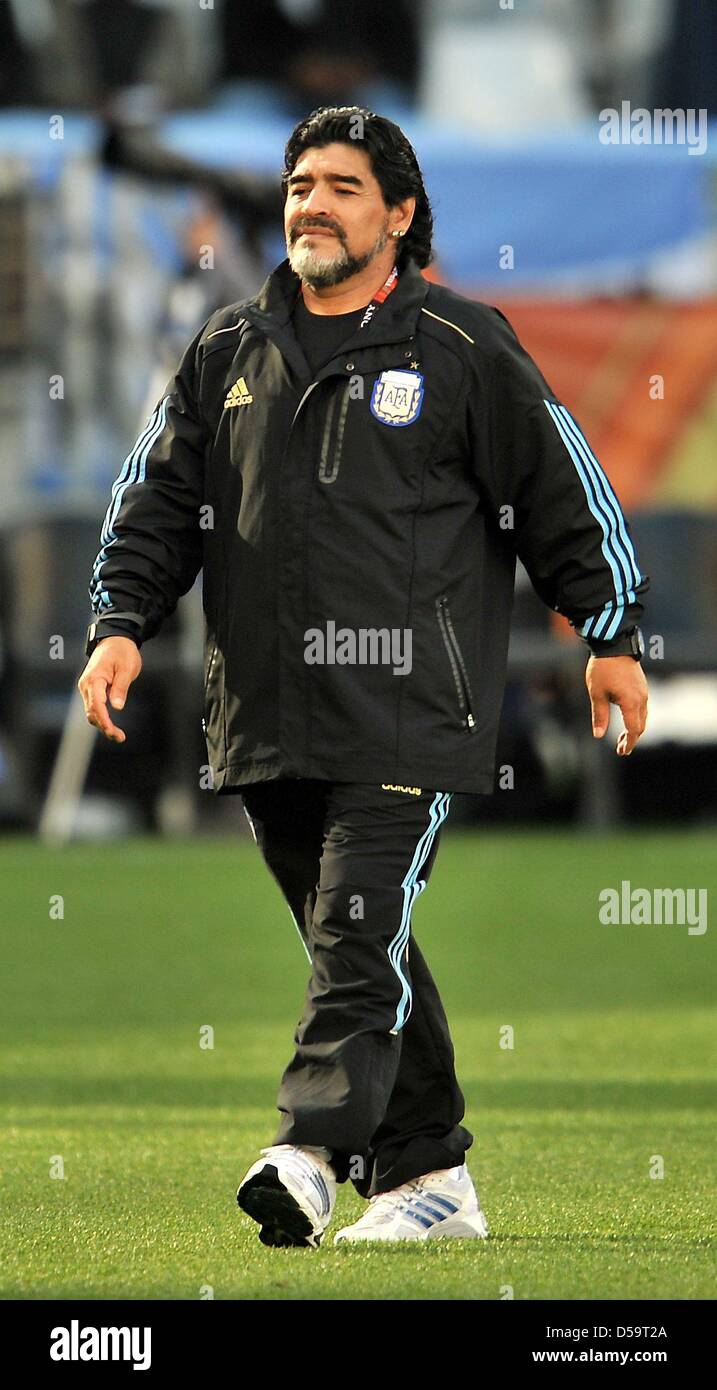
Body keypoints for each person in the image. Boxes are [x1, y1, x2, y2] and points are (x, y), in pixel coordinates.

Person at [78, 105, 650, 1249]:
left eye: (343, 187)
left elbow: (561, 488)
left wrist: (611, 631)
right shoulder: (229, 348)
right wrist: (119, 621)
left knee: (353, 928)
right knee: (359, 939)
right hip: (266, 711)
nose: (313, 204)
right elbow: (156, 500)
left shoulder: (462, 344)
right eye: (301, 184)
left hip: (409, 705)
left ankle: (307, 1151)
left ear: (398, 215)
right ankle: (430, 1175)